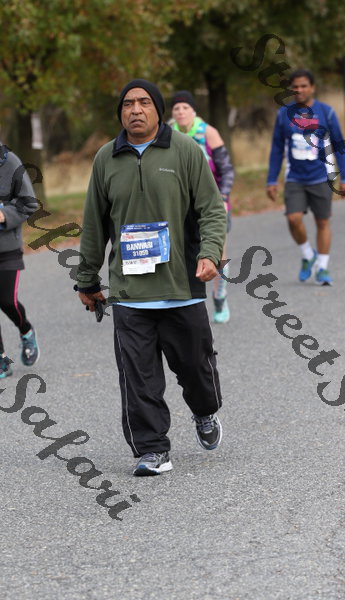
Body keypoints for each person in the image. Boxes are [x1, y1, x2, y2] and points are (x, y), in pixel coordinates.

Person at [75, 79, 227, 476]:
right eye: (128, 104)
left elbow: (212, 210)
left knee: (196, 371)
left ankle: (205, 411)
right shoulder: (106, 158)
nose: (135, 110)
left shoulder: (186, 150)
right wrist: (87, 280)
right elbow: (94, 226)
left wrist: (210, 253)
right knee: (137, 378)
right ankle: (152, 449)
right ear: (120, 112)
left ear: (158, 110)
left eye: (144, 102)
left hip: (182, 286)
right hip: (130, 292)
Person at [266, 69, 345, 285]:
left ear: (312, 88)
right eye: (295, 86)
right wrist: (272, 179)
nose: (299, 90)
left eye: (304, 86)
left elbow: (339, 145)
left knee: (322, 222)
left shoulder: (326, 112)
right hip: (295, 177)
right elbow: (276, 148)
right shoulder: (284, 114)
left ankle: (322, 268)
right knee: (293, 218)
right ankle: (307, 254)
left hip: (322, 177)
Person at [170, 90, 234, 323]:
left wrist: (223, 198)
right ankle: (182, 301)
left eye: (185, 107)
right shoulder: (167, 134)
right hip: (180, 204)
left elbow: (226, 170)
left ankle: (220, 295)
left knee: (218, 252)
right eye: (176, 108)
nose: (180, 112)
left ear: (193, 111)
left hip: (212, 201)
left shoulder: (208, 132)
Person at [0, 144, 40, 378]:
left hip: (7, 248)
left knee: (6, 300)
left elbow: (29, 203)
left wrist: (4, 214)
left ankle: (26, 330)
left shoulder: (9, 161)